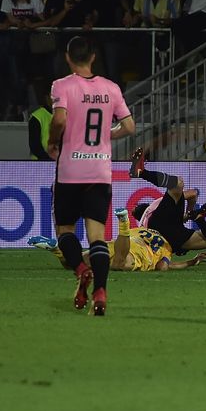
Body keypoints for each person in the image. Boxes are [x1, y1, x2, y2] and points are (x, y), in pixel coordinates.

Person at [48, 35, 136, 316]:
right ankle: (100, 291)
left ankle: (81, 269)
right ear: (93, 57)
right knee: (97, 237)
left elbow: (60, 119)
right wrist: (106, 137)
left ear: (68, 57)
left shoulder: (62, 85)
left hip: (71, 170)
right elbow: (130, 126)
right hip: (99, 171)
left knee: (65, 231)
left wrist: (53, 140)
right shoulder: (111, 88)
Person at [30, 208, 206, 272]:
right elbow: (163, 267)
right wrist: (191, 262)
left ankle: (57, 249)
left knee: (75, 263)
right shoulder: (166, 249)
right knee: (119, 264)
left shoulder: (144, 228)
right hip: (135, 253)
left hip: (117, 243)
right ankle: (122, 222)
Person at [128, 147, 206, 255]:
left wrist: (185, 216)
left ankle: (197, 220)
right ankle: (142, 173)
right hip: (171, 234)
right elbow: (193, 194)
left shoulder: (144, 223)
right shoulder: (156, 204)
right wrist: (189, 212)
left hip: (161, 239)